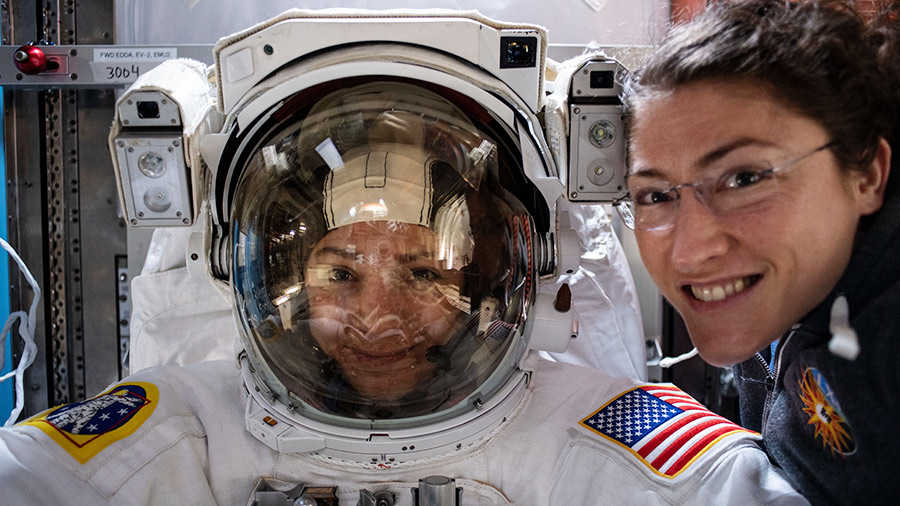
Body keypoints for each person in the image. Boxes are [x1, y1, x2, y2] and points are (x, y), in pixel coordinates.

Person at [1, 11, 806, 505]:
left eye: (424, 273)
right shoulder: (191, 424)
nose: (378, 316)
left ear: (491, 279)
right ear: (267, 278)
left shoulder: (580, 425)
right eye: (339, 271)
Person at [618, 1, 900, 503]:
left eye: (744, 179)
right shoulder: (794, 289)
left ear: (866, 174)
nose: (688, 252)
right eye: (656, 195)